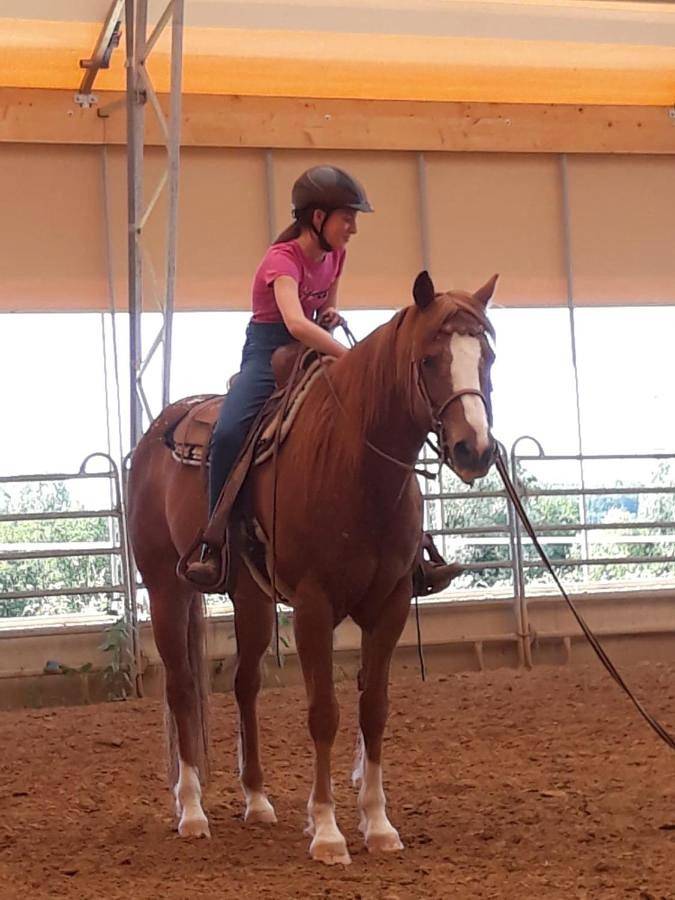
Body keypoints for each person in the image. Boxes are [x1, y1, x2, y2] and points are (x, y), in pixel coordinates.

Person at [185, 165, 373, 585]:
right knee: (231, 431)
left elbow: (320, 311)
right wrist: (348, 356)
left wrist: (330, 317)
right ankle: (214, 541)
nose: (354, 228)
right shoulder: (281, 260)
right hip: (268, 353)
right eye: (348, 218)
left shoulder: (336, 254)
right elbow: (293, 322)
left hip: (312, 345)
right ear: (319, 218)